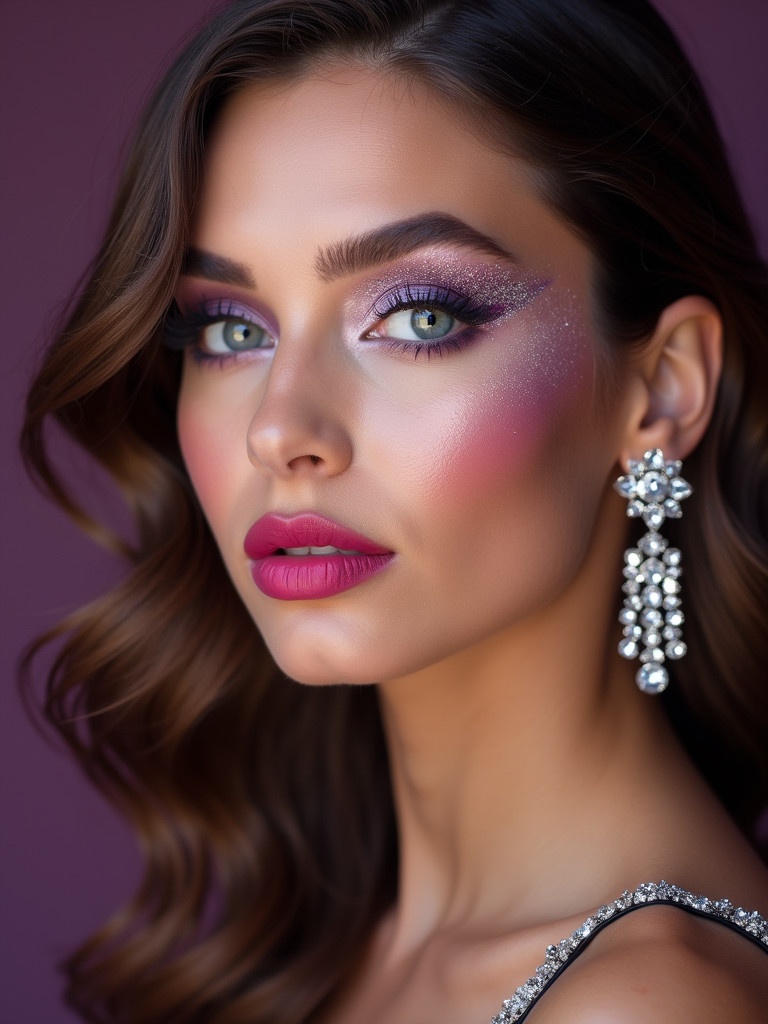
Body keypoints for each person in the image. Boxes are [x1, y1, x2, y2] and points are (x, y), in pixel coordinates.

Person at [21, 0, 768, 1021]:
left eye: (419, 316)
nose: (279, 431)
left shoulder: (650, 1003)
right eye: (229, 329)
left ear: (664, 389)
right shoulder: (324, 942)